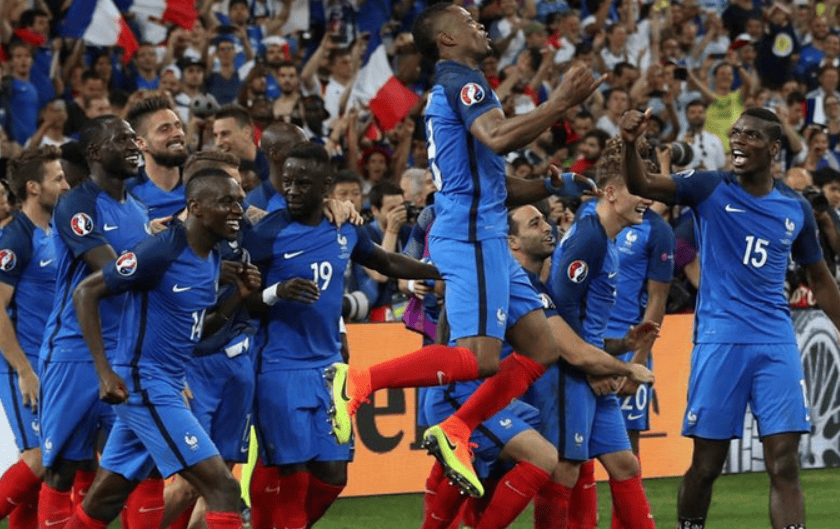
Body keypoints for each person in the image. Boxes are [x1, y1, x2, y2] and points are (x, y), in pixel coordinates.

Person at [325, 3, 650, 498]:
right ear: (447, 39)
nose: (478, 24)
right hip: (471, 237)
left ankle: (457, 428)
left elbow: (492, 183)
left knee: (540, 348)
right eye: (467, 21)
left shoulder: (461, 86)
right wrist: (560, 102)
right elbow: (497, 137)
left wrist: (548, 185)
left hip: (487, 234)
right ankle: (360, 382)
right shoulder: (461, 82)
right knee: (479, 360)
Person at [620, 106, 840, 529]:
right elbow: (642, 184)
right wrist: (630, 145)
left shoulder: (795, 208)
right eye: (735, 133)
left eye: (751, 135)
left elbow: (820, 278)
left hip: (776, 342)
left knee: (785, 463)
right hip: (720, 341)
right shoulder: (708, 187)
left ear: (774, 149)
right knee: (707, 464)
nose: (738, 140)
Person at [243, 142, 440, 527]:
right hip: (279, 368)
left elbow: (384, 260)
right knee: (292, 471)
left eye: (303, 183)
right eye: (288, 182)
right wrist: (276, 292)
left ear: (326, 186)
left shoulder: (345, 229)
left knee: (334, 475)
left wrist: (437, 271)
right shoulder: (267, 233)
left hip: (329, 370)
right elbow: (240, 298)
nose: (292, 190)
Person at [64, 167, 261, 529]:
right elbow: (86, 291)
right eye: (226, 202)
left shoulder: (212, 257)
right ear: (195, 207)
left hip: (164, 383)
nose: (238, 210)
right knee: (222, 487)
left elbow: (197, 332)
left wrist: (237, 299)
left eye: (239, 201)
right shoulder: (163, 249)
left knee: (106, 499)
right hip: (145, 383)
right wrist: (104, 371)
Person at [529, 139, 658, 529]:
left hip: (591, 366)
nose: (647, 200)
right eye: (639, 191)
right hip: (573, 371)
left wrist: (622, 345)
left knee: (624, 464)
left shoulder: (603, 237)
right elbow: (560, 308)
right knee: (565, 469)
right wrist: (591, 367)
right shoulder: (590, 238)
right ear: (612, 193)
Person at [37, 115, 153, 529]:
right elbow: (113, 271)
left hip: (126, 353)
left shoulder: (139, 209)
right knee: (62, 469)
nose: (134, 144)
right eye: (122, 139)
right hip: (75, 354)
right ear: (95, 153)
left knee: (138, 467)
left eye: (134, 137)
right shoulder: (77, 203)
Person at [0, 147, 69, 527]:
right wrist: (24, 371)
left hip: (54, 364)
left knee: (51, 465)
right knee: (39, 457)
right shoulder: (15, 238)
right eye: (57, 178)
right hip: (23, 365)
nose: (66, 184)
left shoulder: (56, 230)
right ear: (33, 187)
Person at [125, 96, 188, 218]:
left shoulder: (200, 182)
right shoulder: (126, 192)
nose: (178, 133)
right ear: (140, 143)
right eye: (165, 129)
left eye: (178, 126)